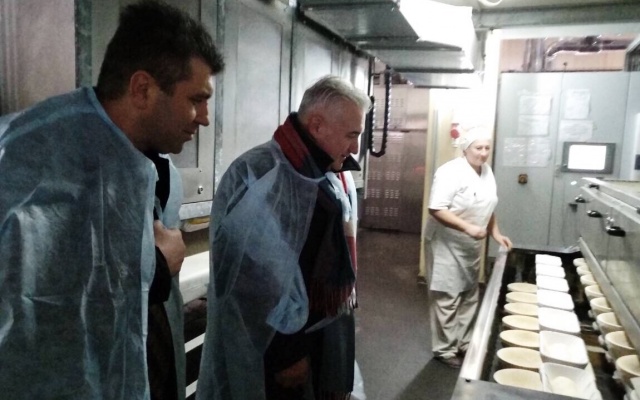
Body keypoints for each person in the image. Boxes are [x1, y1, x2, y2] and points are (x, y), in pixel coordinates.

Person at [0, 1, 224, 399]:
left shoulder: (157, 170)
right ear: (142, 89)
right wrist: (157, 266)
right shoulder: (29, 161)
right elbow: (36, 310)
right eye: (196, 99)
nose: (205, 117)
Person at [196, 75, 370, 400]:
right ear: (317, 126)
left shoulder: (321, 170)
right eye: (352, 135)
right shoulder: (265, 172)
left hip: (314, 336)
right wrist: (288, 353)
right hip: (275, 351)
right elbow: (251, 281)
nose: (355, 148)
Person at [424, 126, 512, 369]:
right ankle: (444, 349)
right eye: (478, 148)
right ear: (465, 148)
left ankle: (464, 342)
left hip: (471, 244)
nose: (483, 153)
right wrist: (468, 228)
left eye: (486, 148)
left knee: (469, 294)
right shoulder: (450, 172)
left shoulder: (487, 171)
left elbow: (488, 206)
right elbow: (436, 208)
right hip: (446, 241)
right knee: (447, 296)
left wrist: (496, 233)